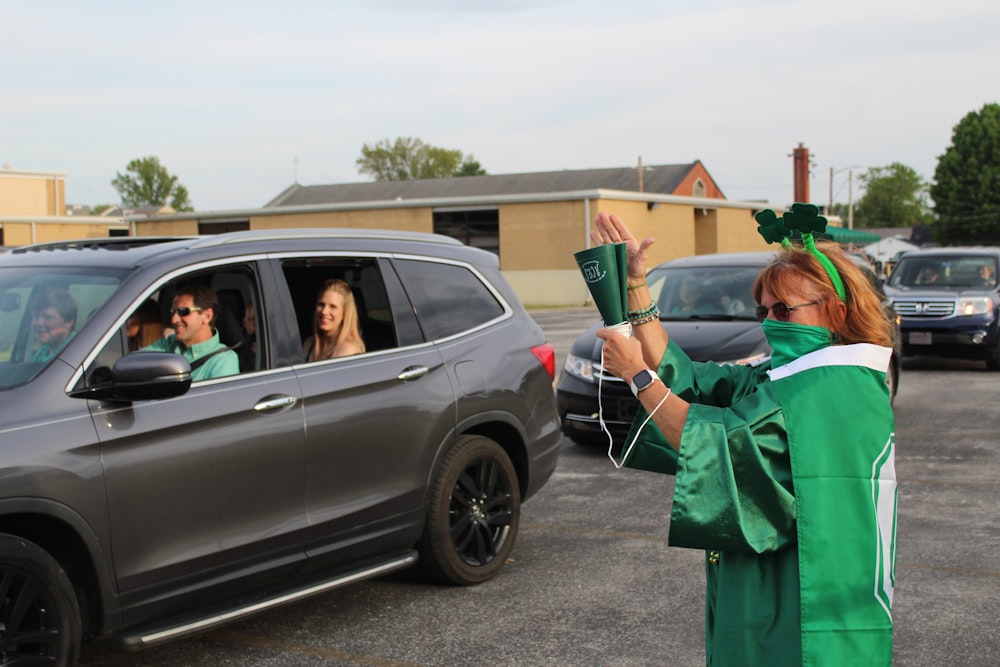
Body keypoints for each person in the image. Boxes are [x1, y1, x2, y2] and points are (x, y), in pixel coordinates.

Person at [592, 205, 897, 666]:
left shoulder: (830, 384)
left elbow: (719, 442)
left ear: (836, 309)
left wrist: (637, 376)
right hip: (795, 565)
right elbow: (687, 380)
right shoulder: (794, 370)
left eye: (784, 309)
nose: (770, 319)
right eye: (764, 309)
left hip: (801, 583)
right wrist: (637, 284)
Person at [143, 284, 239, 381]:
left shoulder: (223, 361)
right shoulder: (168, 344)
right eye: (173, 312)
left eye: (183, 311)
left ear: (207, 316)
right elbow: (134, 363)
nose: (174, 320)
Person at [302, 278, 365, 360]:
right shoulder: (309, 343)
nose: (324, 311)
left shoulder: (349, 350)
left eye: (333, 307)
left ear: (345, 313)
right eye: (321, 304)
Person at [31, 288, 77, 363]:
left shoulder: (76, 355)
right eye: (36, 316)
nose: (39, 323)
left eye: (47, 317)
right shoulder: (43, 351)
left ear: (69, 321)